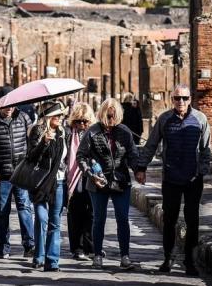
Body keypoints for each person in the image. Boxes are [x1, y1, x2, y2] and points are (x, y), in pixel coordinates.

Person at [136, 84, 211, 276]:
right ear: (172, 100)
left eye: (185, 98)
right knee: (169, 219)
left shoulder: (201, 119)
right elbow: (151, 144)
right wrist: (141, 168)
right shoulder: (164, 119)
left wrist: (202, 171)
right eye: (177, 98)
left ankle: (190, 260)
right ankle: (168, 258)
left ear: (190, 99)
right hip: (170, 178)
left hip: (193, 179)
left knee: (192, 220)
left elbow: (205, 149)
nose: (181, 102)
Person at [76, 99, 138, 270]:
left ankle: (125, 256)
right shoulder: (92, 132)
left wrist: (139, 170)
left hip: (120, 181)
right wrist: (90, 174)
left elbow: (133, 155)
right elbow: (81, 156)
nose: (111, 117)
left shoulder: (125, 132)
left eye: (114, 114)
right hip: (97, 182)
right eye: (108, 114)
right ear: (102, 113)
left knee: (123, 219)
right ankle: (97, 255)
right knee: (99, 219)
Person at [0, 104, 34, 259]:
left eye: (12, 105)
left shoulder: (23, 118)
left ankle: (29, 245)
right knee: (2, 212)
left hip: (21, 174)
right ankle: (3, 247)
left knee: (25, 208)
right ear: (0, 105)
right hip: (2, 175)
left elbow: (32, 143)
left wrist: (29, 165)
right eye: (6, 106)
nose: (9, 108)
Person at [26, 101, 68, 272]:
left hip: (58, 181)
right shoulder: (37, 131)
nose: (60, 118)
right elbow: (31, 156)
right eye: (57, 115)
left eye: (61, 115)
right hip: (40, 182)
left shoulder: (62, 133)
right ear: (48, 116)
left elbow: (63, 159)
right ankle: (39, 255)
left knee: (55, 222)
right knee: (42, 219)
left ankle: (52, 261)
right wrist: (44, 143)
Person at [65, 102, 96, 261]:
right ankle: (77, 247)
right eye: (78, 121)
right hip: (73, 178)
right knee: (75, 214)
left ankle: (90, 246)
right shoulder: (68, 133)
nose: (82, 124)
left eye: (85, 121)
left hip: (90, 175)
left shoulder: (95, 133)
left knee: (91, 213)